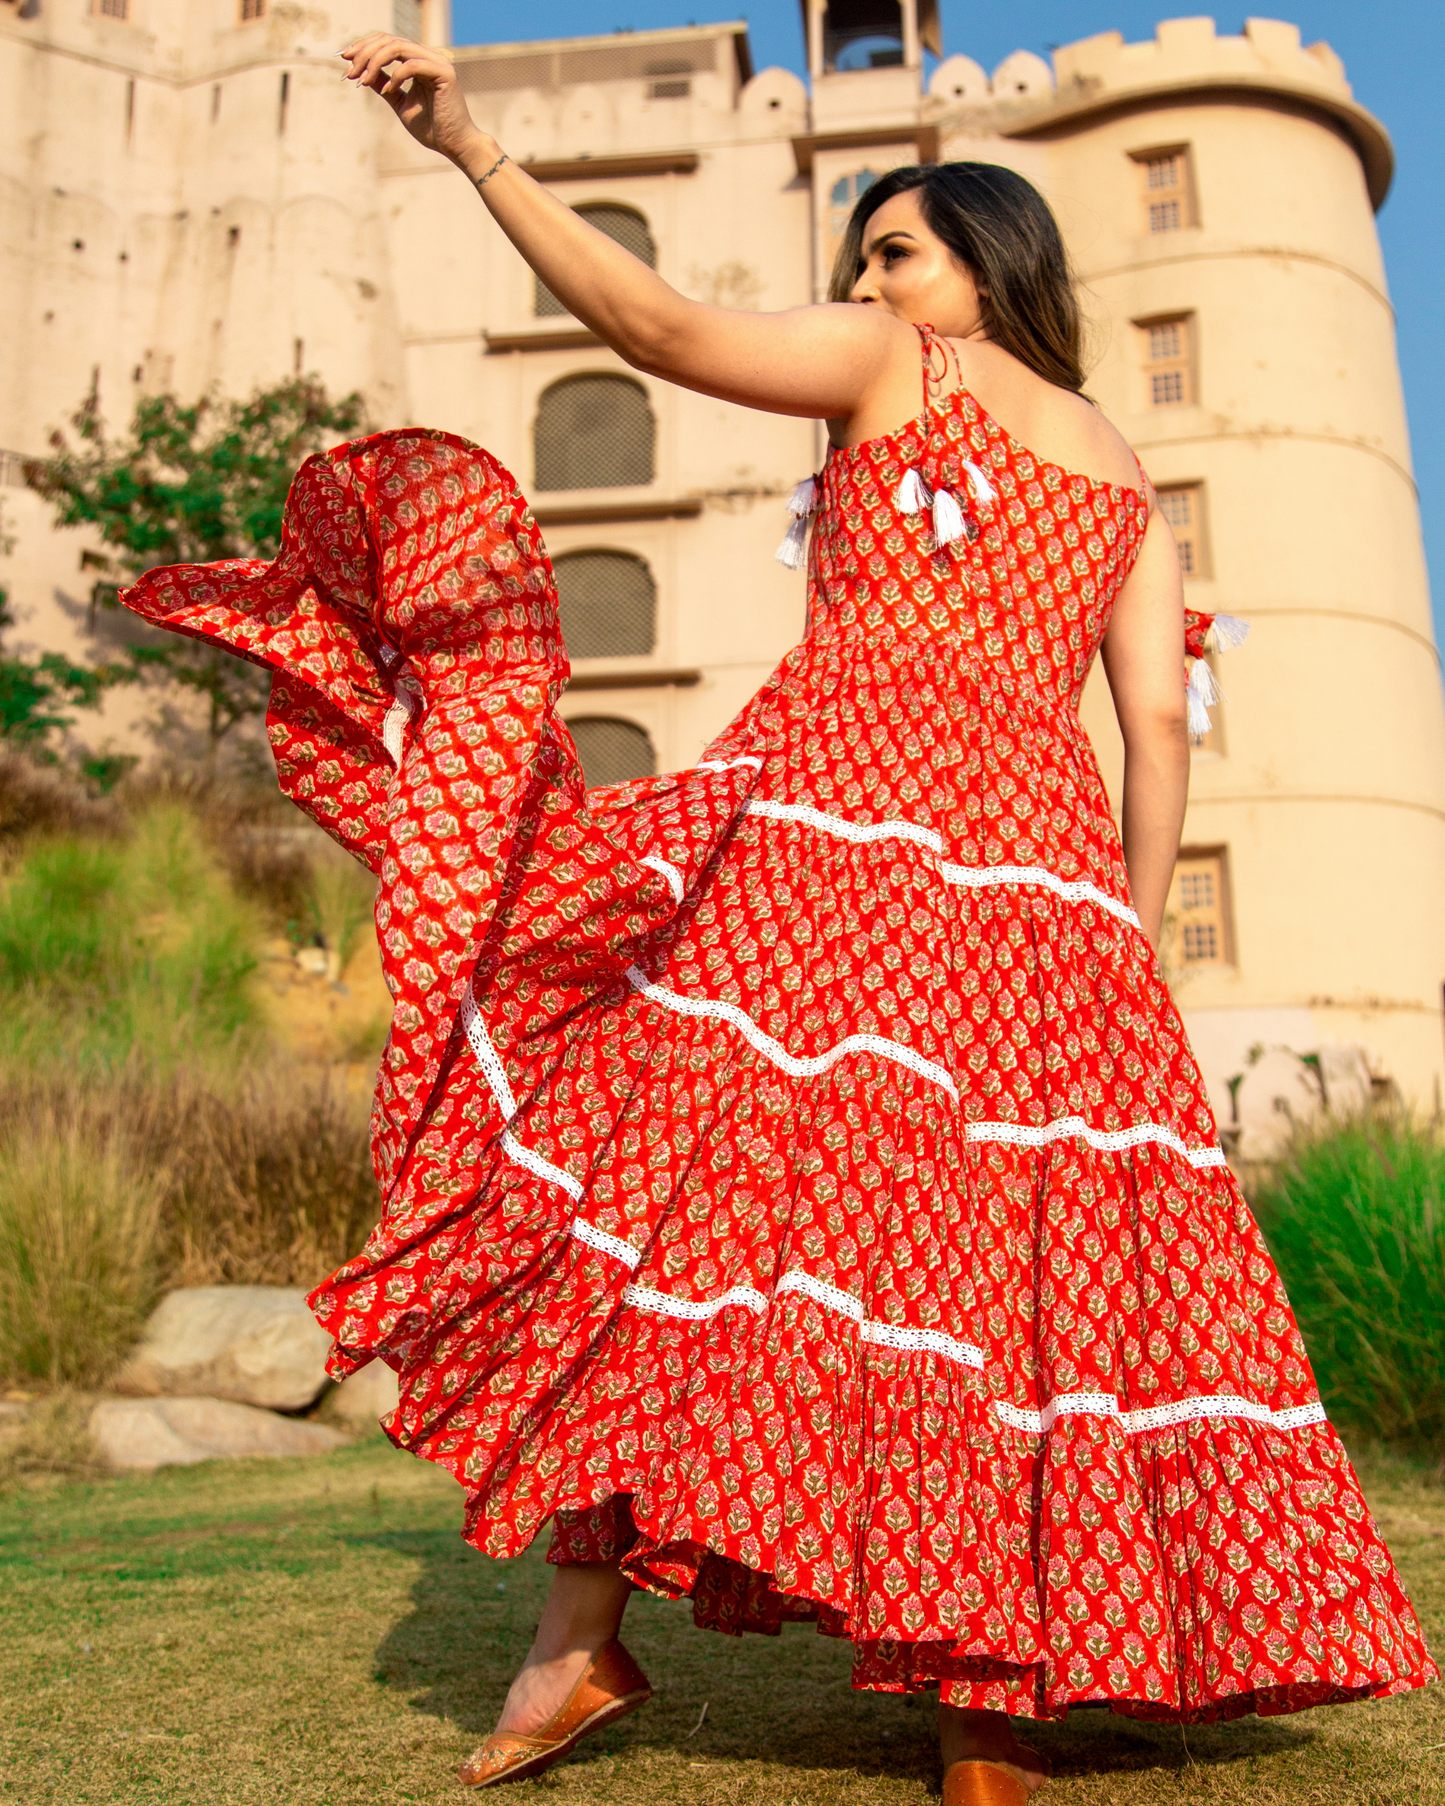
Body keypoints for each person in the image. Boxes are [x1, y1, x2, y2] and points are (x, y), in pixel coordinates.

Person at [122, 31, 1435, 1805]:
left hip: (837, 832)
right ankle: (974, 1722)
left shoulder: (905, 363)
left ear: (984, 260)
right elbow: (1154, 735)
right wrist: (1118, 937)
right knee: (997, 1269)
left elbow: (657, 331)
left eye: (897, 245)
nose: (872, 277)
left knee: (682, 1204)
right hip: (1039, 884)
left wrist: (481, 151)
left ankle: (586, 1638)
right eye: (872, 259)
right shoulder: (1126, 468)